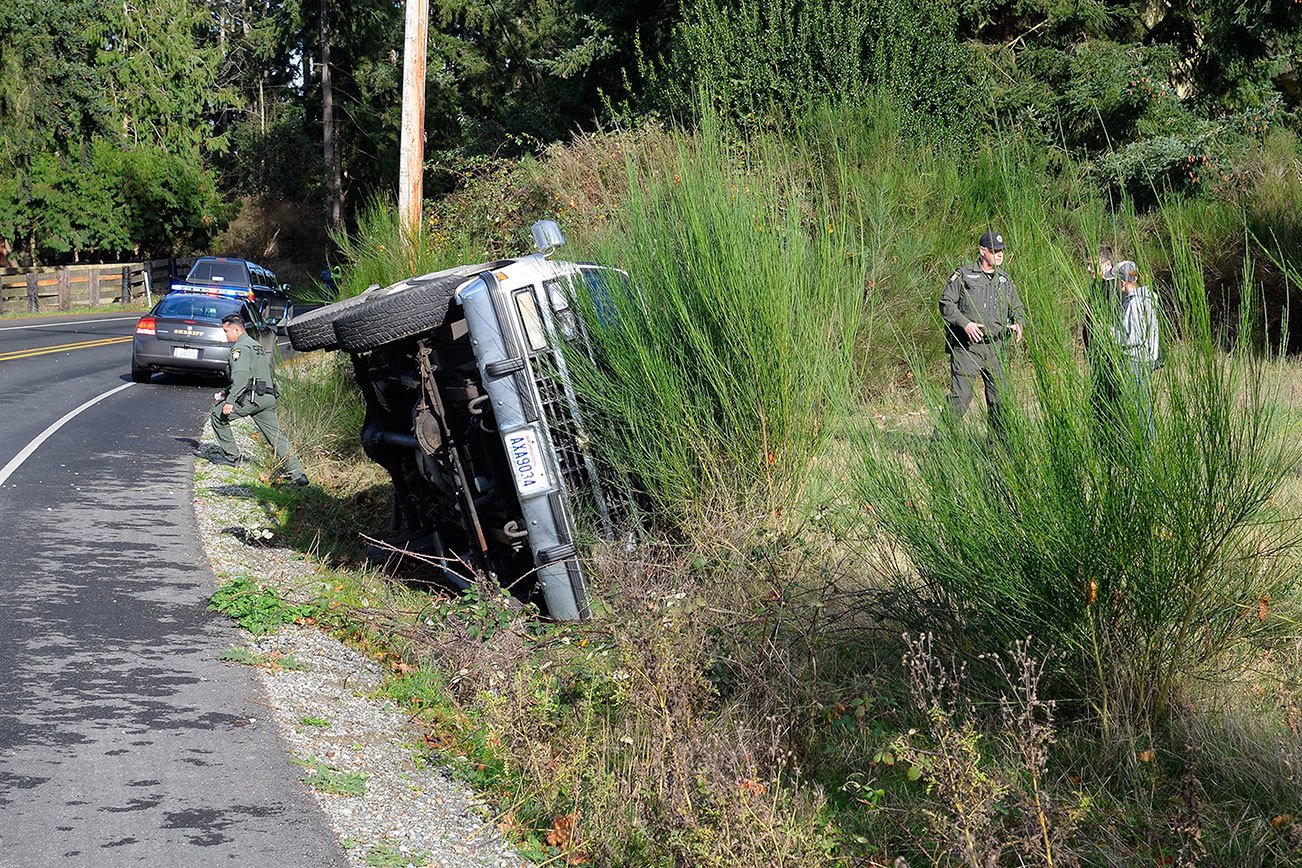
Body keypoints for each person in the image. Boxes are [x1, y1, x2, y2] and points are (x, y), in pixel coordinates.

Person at [939, 230, 1026, 434]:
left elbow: (1018, 307)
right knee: (961, 398)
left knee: (1000, 400)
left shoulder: (1004, 279)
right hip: (968, 347)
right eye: (994, 250)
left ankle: (998, 448)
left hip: (996, 347)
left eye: (1002, 250)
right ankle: (939, 444)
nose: (999, 254)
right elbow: (946, 303)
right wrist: (965, 323)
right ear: (982, 251)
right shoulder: (965, 275)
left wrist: (1019, 323)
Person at [208, 313, 309, 485]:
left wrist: (229, 401)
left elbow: (240, 377)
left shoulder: (240, 349)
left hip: (252, 399)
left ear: (237, 329)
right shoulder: (256, 346)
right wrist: (226, 392)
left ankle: (232, 457)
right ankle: (298, 474)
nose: (225, 335)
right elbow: (257, 374)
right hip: (267, 398)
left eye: (226, 331)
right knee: (277, 437)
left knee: (218, 416)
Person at [1108, 260, 1160, 437]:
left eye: (1115, 281)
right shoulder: (1144, 298)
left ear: (1123, 282)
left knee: (1139, 412)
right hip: (1141, 360)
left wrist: (1107, 332)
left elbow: (1134, 337)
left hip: (1135, 361)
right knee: (1141, 410)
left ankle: (1145, 459)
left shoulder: (1136, 303)